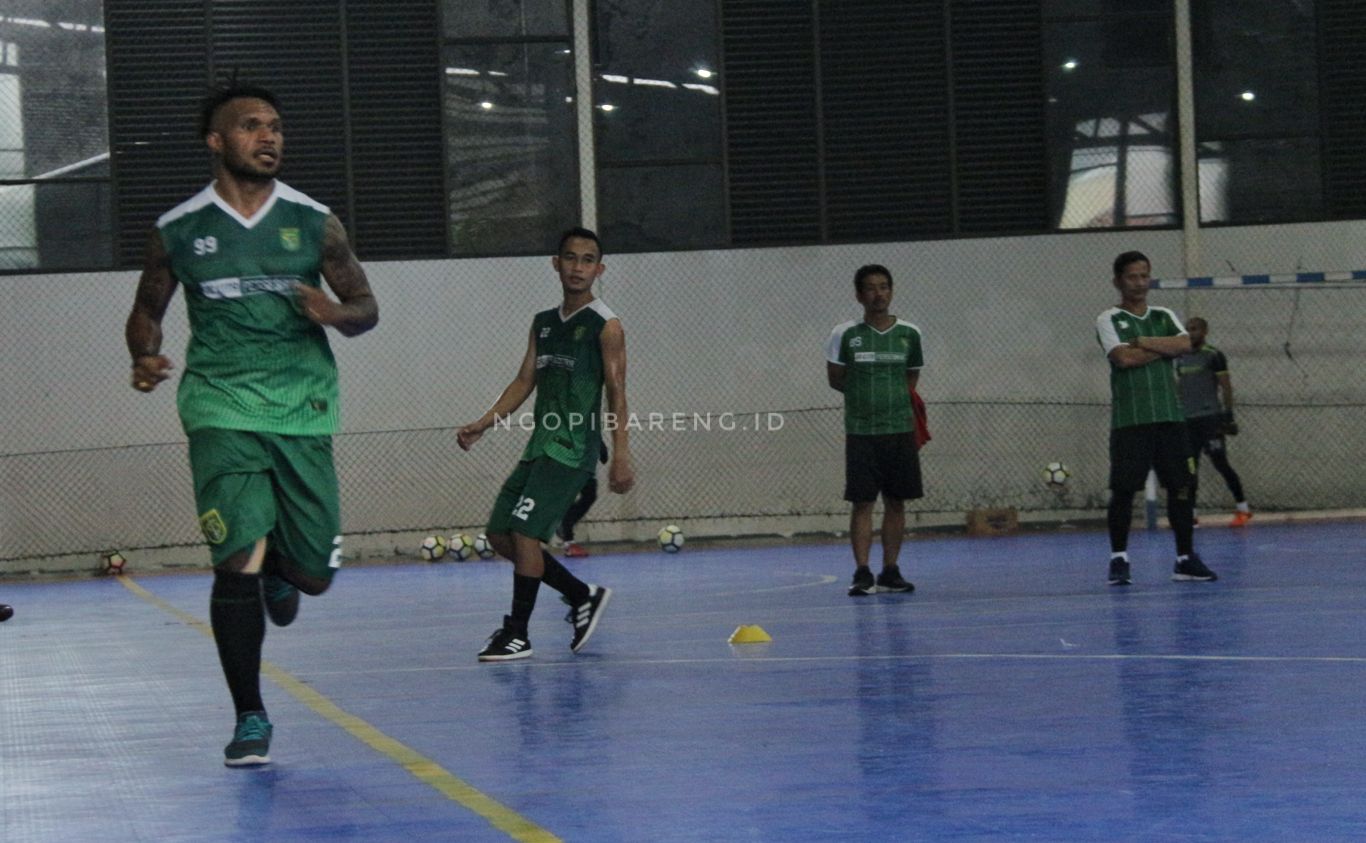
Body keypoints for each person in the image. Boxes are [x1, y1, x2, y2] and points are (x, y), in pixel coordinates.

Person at [125, 84, 378, 766]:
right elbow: (147, 307)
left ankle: (284, 574)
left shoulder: (314, 221)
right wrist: (143, 355)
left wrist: (337, 313)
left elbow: (365, 305)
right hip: (219, 404)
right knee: (235, 560)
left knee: (313, 576)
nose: (269, 136)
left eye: (275, 125)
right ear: (217, 141)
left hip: (302, 406)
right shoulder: (179, 229)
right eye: (251, 126)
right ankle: (251, 717)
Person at [457, 227, 634, 661]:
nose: (578, 267)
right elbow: (523, 382)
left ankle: (517, 633)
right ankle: (580, 595)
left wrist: (622, 453)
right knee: (501, 535)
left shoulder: (606, 325)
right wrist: (484, 423)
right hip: (539, 447)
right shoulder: (544, 323)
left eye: (587, 260)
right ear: (556, 263)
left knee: (524, 532)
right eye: (570, 258)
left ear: (600, 268)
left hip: (572, 451)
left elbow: (617, 392)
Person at [1095, 251, 1215, 586]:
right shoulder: (1108, 319)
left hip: (1169, 419)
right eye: (1132, 277)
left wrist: (1146, 341)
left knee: (1181, 487)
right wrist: (1163, 349)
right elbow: (1123, 359)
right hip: (1131, 420)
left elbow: (1186, 344)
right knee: (1123, 490)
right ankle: (1119, 559)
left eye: (1145, 276)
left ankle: (1184, 558)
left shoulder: (1163, 315)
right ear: (1118, 281)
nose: (1139, 283)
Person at [825, 264, 923, 597]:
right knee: (862, 502)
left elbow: (911, 377)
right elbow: (836, 378)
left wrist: (891, 402)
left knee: (896, 502)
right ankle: (863, 572)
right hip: (861, 431)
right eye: (870, 288)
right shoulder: (845, 334)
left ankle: (890, 571)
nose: (878, 294)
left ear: (891, 291)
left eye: (884, 287)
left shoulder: (910, 333)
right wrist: (865, 400)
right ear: (858, 295)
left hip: (899, 430)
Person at [1177, 317, 1252, 527]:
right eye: (1187, 329)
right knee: (1191, 469)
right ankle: (1192, 515)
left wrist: (1228, 416)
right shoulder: (1180, 358)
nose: (1191, 333)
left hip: (1210, 420)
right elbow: (1179, 388)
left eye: (1195, 329)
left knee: (1221, 464)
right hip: (1188, 421)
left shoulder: (1213, 355)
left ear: (1205, 331)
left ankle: (1243, 509)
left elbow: (1226, 387)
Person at [552, 441, 609, 557]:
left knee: (590, 496)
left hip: (586, 466)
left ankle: (564, 526)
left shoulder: (590, 426)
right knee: (569, 498)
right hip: (568, 463)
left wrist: (602, 451)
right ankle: (568, 541)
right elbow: (556, 439)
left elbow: (596, 439)